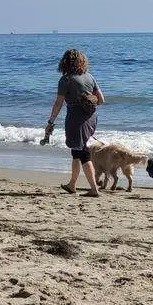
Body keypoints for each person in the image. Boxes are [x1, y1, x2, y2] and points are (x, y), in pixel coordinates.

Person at [47, 48, 104, 197]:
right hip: (91, 119)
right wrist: (87, 100)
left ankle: (94, 189)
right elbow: (101, 100)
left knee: (82, 153)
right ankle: (72, 184)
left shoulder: (65, 80)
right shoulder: (90, 77)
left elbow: (58, 104)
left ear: (65, 63)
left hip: (75, 120)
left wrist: (50, 122)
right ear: (82, 62)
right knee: (76, 152)